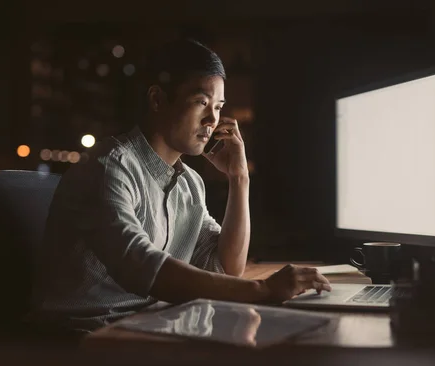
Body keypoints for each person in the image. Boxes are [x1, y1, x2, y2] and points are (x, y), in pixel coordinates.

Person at [29, 39, 331, 333]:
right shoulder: (109, 167)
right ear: (158, 100)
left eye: (218, 106)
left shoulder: (189, 183)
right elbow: (142, 269)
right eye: (201, 102)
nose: (212, 119)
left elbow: (227, 267)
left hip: (149, 324)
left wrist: (239, 179)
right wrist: (263, 289)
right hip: (84, 336)